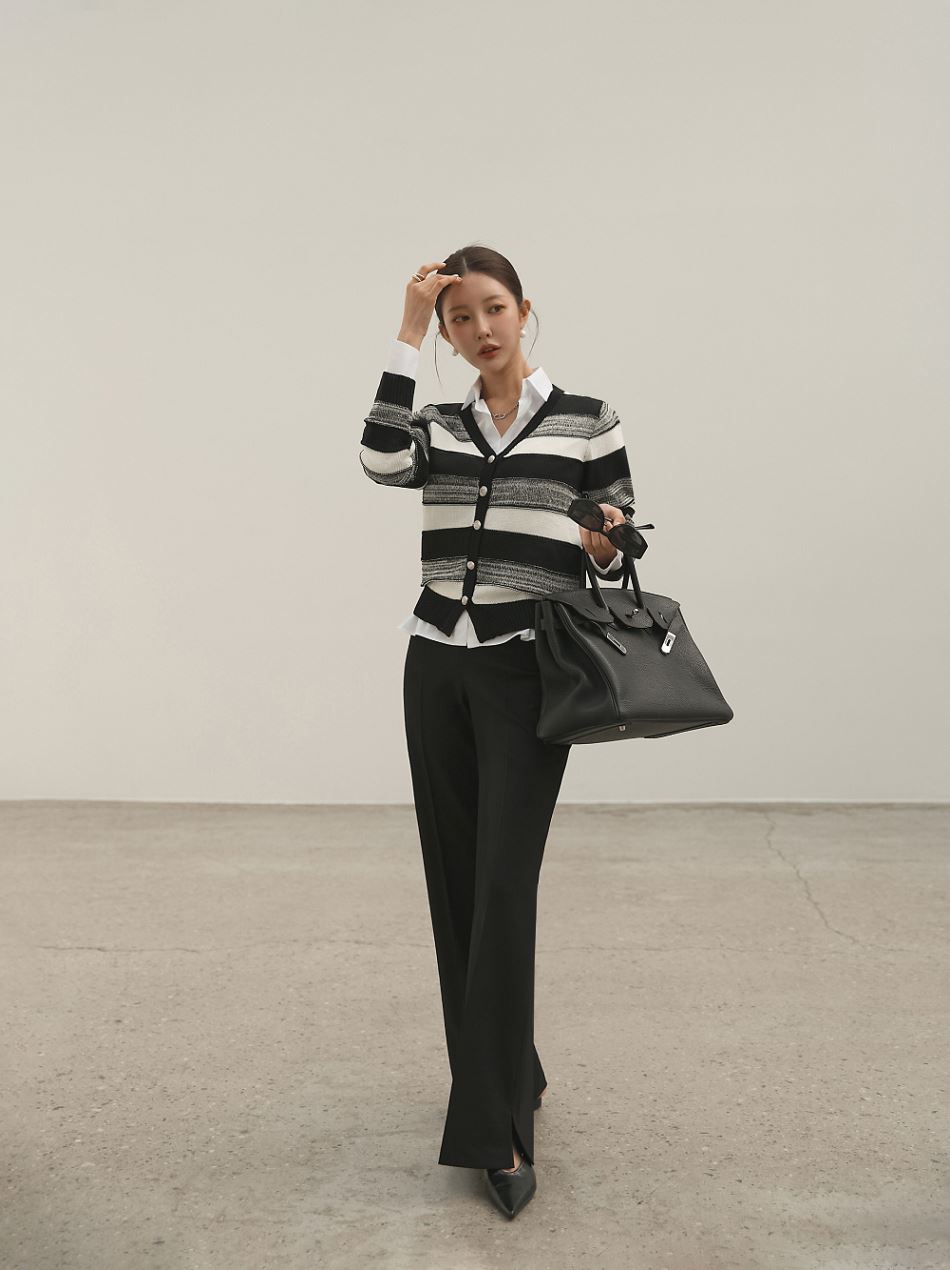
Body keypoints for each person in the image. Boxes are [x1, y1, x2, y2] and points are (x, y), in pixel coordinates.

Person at [359, 244, 637, 1219]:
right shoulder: (437, 426)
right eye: (458, 318)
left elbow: (618, 534)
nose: (480, 329)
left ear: (525, 310)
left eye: (493, 309)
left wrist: (604, 541)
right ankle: (513, 1063)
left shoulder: (586, 418)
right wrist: (403, 329)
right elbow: (378, 459)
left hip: (527, 671)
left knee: (505, 887)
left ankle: (496, 1125)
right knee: (457, 882)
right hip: (436, 663)